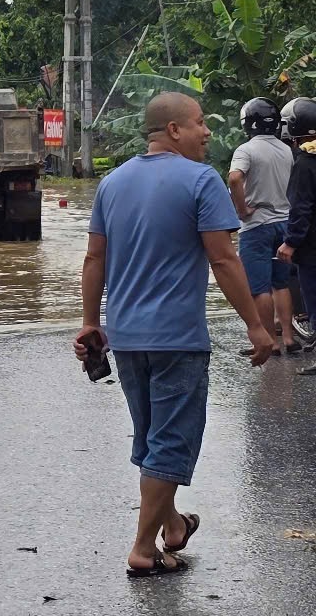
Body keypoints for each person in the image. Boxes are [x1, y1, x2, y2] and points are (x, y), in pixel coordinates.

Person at [74, 92, 270, 578]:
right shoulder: (202, 180)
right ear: (175, 130)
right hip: (178, 339)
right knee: (170, 442)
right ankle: (144, 547)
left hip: (127, 337)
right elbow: (223, 259)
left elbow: (94, 258)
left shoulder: (112, 183)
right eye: (200, 123)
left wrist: (90, 321)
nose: (207, 131)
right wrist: (256, 325)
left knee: (151, 437)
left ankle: (175, 525)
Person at [229, 97, 297, 355]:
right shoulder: (286, 150)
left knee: (259, 287)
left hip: (257, 225)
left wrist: (242, 209)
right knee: (281, 284)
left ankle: (270, 342)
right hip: (285, 224)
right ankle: (289, 338)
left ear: (248, 123)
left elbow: (235, 178)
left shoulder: (246, 150)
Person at [277, 98, 316, 372]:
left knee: (314, 298)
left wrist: (290, 242)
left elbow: (301, 208)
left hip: (311, 248)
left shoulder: (304, 163)